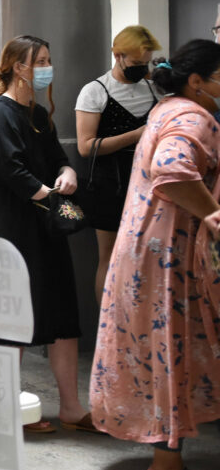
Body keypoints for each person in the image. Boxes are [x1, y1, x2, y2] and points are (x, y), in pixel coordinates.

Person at [91, 40, 220, 470]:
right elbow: (173, 171)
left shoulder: (164, 109)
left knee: (162, 349)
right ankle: (166, 462)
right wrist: (213, 213)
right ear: (197, 81)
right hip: (167, 254)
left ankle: (167, 457)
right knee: (172, 347)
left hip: (145, 246)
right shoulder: (191, 117)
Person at [0, 35, 86, 434]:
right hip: (14, 225)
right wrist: (50, 195)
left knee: (61, 312)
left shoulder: (39, 113)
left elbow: (57, 157)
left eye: (47, 59)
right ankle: (8, 412)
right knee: (13, 320)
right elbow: (11, 171)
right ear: (18, 67)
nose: (46, 67)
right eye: (39, 61)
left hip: (44, 222)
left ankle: (73, 407)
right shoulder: (0, 114)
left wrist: (67, 173)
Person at [75, 25, 160, 303]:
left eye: (145, 63)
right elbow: (86, 146)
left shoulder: (153, 89)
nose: (141, 68)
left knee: (147, 256)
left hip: (148, 184)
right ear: (118, 55)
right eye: (136, 63)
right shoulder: (95, 91)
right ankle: (107, 331)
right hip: (108, 185)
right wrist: (135, 136)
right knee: (109, 257)